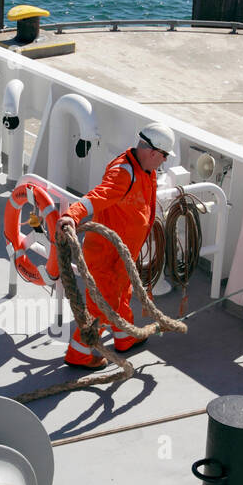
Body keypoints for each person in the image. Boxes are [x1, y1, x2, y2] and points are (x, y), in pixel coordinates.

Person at [57, 123, 174, 368]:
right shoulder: (124, 172)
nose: (162, 163)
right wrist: (73, 215)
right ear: (154, 153)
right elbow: (99, 196)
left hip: (123, 253)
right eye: (163, 157)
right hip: (105, 254)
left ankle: (125, 337)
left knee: (122, 294)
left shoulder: (145, 169)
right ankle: (80, 354)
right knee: (102, 305)